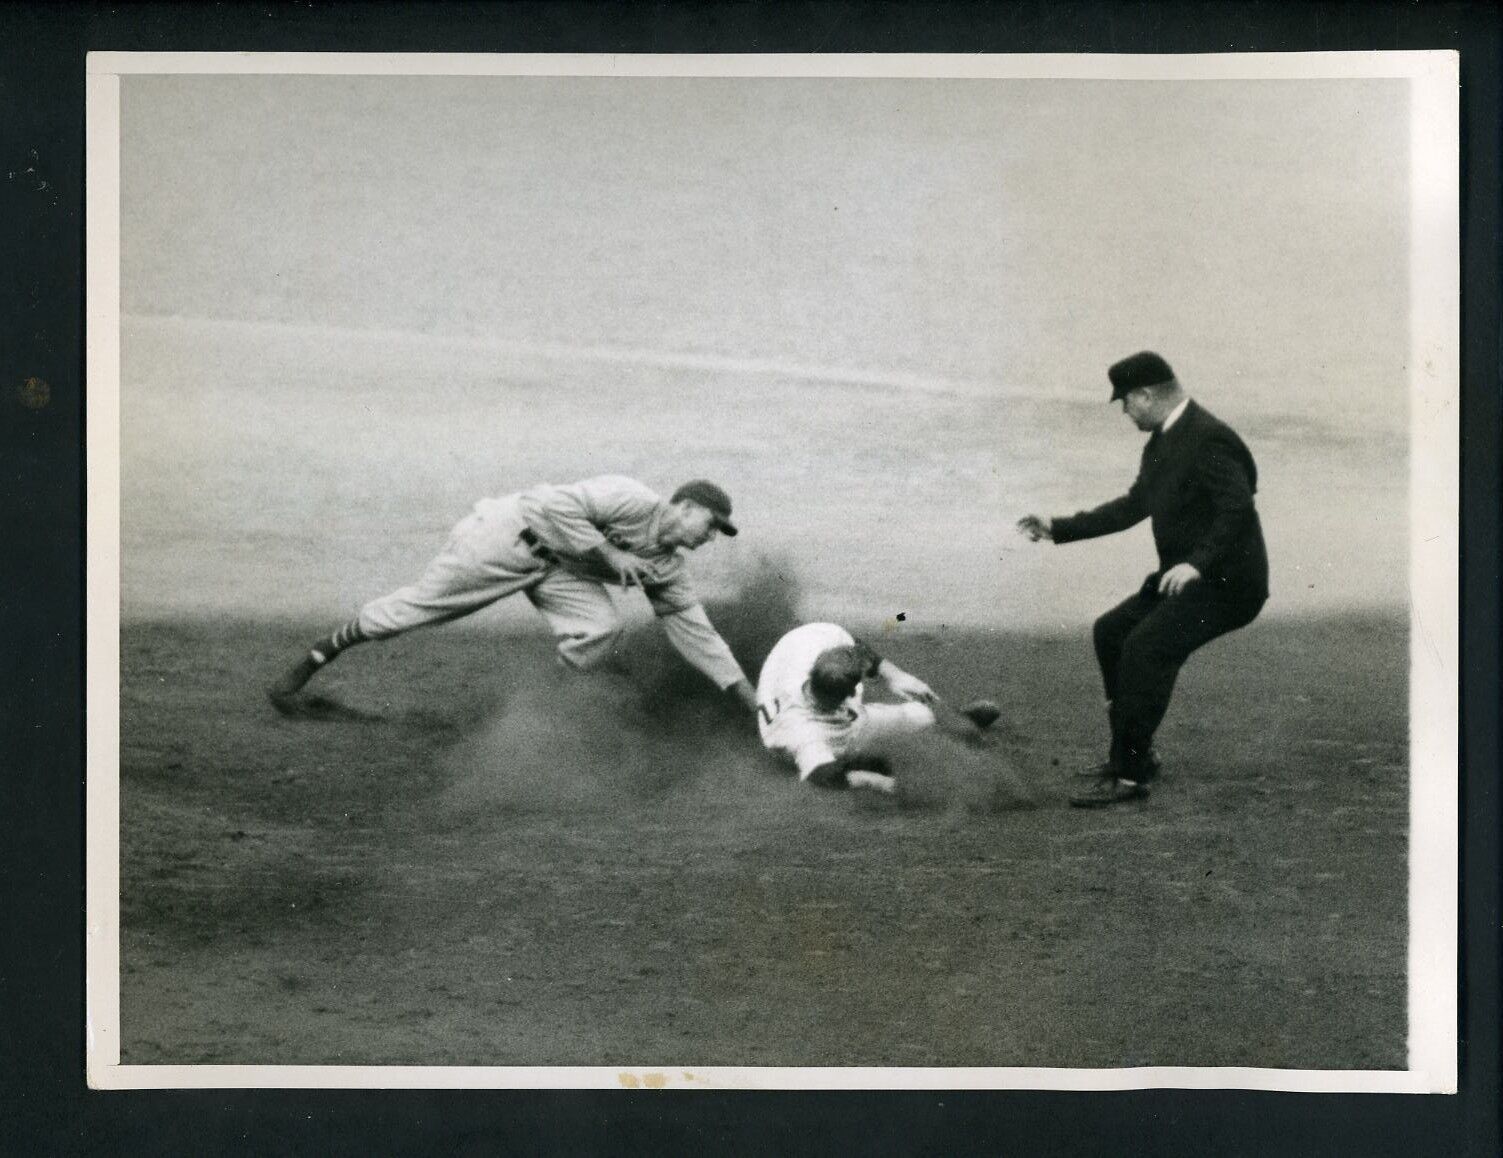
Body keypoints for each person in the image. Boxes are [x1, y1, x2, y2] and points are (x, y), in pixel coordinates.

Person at [267, 475, 760, 716]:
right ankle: (315, 659)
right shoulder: (630, 497)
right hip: (506, 536)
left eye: (718, 532)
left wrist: (744, 692)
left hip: (559, 570)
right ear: (686, 506)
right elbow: (556, 505)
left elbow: (694, 629)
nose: (711, 536)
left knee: (601, 631)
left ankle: (537, 709)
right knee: (413, 612)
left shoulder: (669, 568)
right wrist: (611, 556)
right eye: (712, 524)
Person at [1017, 351, 1269, 808]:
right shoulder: (1161, 442)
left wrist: (1198, 563)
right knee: (1111, 632)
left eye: (1125, 402)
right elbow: (1133, 507)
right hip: (1186, 580)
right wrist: (1059, 526)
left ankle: (1131, 779)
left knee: (1146, 648)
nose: (1124, 411)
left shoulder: (1210, 439)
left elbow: (1238, 507)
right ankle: (1135, 754)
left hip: (1228, 584)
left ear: (1147, 395)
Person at [755, 621, 1002, 795]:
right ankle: (870, 761)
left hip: (801, 680)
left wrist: (894, 675)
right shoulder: (804, 733)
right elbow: (824, 776)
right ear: (840, 696)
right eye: (849, 691)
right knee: (863, 743)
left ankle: (954, 720)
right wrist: (881, 784)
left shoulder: (815, 646)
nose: (854, 692)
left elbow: (854, 647)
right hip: (821, 738)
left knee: (913, 715)